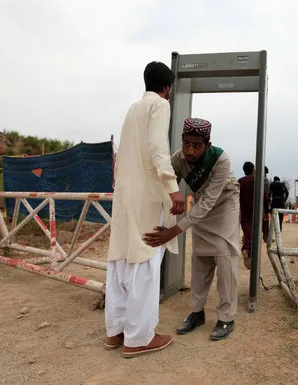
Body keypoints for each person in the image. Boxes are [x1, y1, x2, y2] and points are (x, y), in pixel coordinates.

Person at [105, 61, 186, 358]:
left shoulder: (132, 109)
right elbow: (157, 149)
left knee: (121, 256)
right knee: (146, 259)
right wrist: (173, 187)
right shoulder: (159, 105)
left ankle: (115, 331)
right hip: (147, 193)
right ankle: (138, 338)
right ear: (166, 87)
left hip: (125, 192)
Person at [143, 118, 239, 341]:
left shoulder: (220, 159)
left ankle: (227, 317)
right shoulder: (178, 158)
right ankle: (197, 312)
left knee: (224, 258)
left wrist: (174, 230)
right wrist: (171, 197)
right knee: (200, 259)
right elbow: (165, 181)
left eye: (196, 146)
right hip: (200, 205)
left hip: (224, 204)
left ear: (207, 144)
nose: (190, 150)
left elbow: (209, 202)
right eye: (186, 144)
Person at [238, 161, 270, 269]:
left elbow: (236, 195)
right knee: (256, 232)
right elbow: (265, 196)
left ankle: (247, 249)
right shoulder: (258, 180)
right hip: (257, 210)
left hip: (244, 209)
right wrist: (267, 210)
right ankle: (249, 252)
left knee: (247, 231)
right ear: (253, 170)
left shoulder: (240, 181)